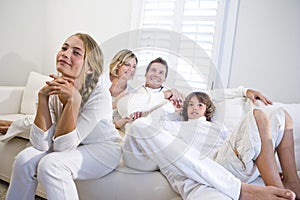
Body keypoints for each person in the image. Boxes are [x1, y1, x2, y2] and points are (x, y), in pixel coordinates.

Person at [6, 33, 122, 200]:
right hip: (74, 145)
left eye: (76, 52)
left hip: (102, 149)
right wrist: (43, 98)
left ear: (90, 67)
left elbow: (63, 148)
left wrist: (73, 102)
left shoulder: (99, 94)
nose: (65, 54)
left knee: (51, 165)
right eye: (64, 48)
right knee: (25, 158)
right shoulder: (52, 88)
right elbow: (40, 143)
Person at [127, 91, 299, 199]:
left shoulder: (217, 127)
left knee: (281, 115)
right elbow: (150, 125)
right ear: (184, 108)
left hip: (232, 161)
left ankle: (292, 182)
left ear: (207, 109)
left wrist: (243, 91)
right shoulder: (174, 126)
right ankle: (277, 190)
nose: (194, 108)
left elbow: (245, 143)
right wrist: (169, 107)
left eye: (199, 105)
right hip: (213, 167)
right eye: (191, 104)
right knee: (258, 116)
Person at [109, 49, 141, 133]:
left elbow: (114, 123)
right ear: (117, 65)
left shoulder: (132, 93)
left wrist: (126, 119)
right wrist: (114, 104)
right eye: (127, 65)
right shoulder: (102, 83)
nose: (131, 69)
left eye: (134, 66)